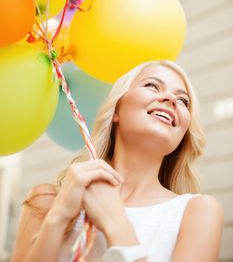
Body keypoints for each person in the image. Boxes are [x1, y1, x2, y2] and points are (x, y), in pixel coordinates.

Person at [11, 60, 224, 262]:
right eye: (152, 85)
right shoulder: (46, 202)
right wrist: (58, 217)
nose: (170, 100)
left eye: (183, 100)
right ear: (116, 111)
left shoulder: (198, 212)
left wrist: (116, 223)